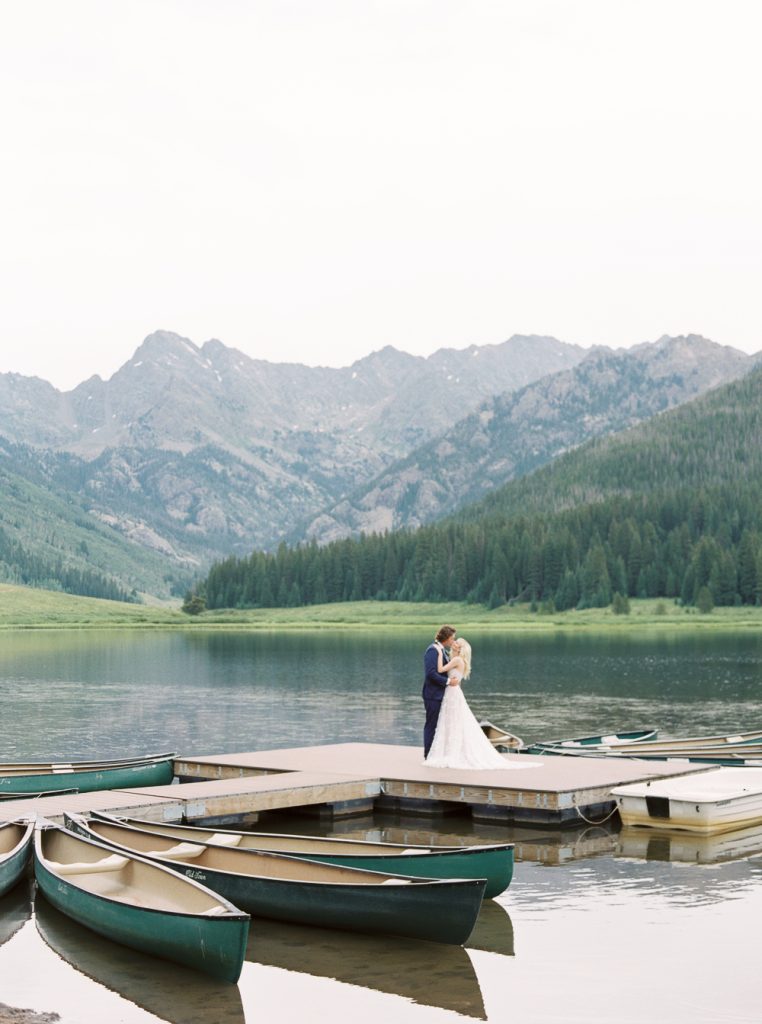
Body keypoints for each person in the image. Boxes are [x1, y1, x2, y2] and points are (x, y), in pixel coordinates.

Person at [424, 637, 514, 770]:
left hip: (452, 693)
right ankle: (450, 751)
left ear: (459, 648)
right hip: (454, 692)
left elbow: (440, 669)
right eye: (454, 641)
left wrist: (438, 651)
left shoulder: (456, 660)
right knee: (452, 722)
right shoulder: (458, 660)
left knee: (451, 722)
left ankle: (449, 753)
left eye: (456, 642)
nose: (453, 643)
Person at [422, 625, 457, 758]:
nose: (453, 641)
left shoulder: (443, 651)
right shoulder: (433, 650)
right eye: (452, 638)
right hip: (432, 695)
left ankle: (437, 753)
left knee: (440, 725)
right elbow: (430, 673)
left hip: (442, 695)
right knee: (431, 725)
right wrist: (448, 682)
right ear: (446, 638)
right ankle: (428, 755)